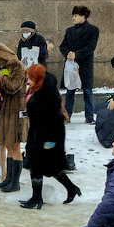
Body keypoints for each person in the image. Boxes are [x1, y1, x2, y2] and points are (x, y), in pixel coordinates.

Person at [19, 64, 81, 209]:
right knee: (46, 167)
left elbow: (52, 118)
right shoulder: (39, 89)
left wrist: (49, 141)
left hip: (48, 135)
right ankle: (70, 188)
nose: (28, 79)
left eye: (30, 77)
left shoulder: (47, 94)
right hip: (38, 133)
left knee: (40, 165)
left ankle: (37, 198)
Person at [0, 43, 26, 193]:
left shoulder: (17, 66)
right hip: (5, 112)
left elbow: (14, 86)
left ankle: (14, 182)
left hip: (15, 112)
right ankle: (9, 179)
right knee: (9, 145)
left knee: (14, 146)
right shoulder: (4, 68)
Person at [59, 6, 99, 122]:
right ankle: (67, 116)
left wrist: (76, 54)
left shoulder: (93, 30)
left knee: (87, 91)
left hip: (84, 65)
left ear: (83, 16)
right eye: (73, 15)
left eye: (76, 16)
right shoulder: (69, 31)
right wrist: (67, 53)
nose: (73, 18)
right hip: (71, 65)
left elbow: (91, 47)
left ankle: (90, 116)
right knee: (70, 91)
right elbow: (62, 46)